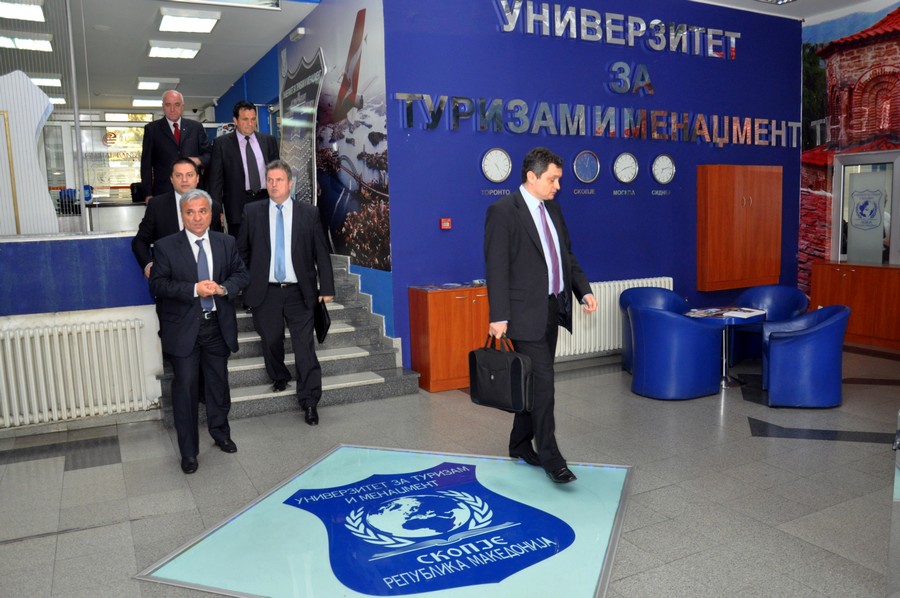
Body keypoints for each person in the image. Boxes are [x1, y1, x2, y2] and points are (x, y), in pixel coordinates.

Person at [484, 147, 597, 484]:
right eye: (553, 179)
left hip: (552, 309)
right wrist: (498, 316)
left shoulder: (554, 210)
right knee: (544, 385)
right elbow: (496, 267)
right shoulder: (503, 211)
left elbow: (566, 256)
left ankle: (519, 443)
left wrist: (583, 290)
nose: (557, 186)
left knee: (532, 382)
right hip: (522, 315)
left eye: (558, 179)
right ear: (531, 177)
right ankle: (551, 457)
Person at [149, 189, 249, 474]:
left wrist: (224, 288)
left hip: (217, 326)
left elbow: (242, 274)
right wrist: (194, 289)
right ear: (182, 215)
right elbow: (158, 285)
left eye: (202, 211)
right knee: (186, 390)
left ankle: (221, 433)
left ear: (211, 214)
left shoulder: (226, 242)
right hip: (184, 330)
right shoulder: (166, 246)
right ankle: (189, 451)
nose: (196, 217)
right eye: (190, 212)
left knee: (218, 385)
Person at [237, 160, 335, 426]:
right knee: (271, 340)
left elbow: (321, 252)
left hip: (299, 292)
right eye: (269, 180)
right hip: (265, 291)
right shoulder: (252, 212)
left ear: (290, 184)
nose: (273, 185)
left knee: (304, 348)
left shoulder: (308, 213)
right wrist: (243, 283)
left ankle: (310, 401)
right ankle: (279, 375)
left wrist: (326, 287)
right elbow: (241, 251)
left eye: (279, 180)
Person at [132, 157, 223, 278]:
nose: (184, 180)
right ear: (171, 179)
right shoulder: (157, 206)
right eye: (178, 175)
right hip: (170, 277)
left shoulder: (212, 206)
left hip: (206, 274)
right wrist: (148, 265)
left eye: (189, 175)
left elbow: (217, 242)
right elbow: (140, 241)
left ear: (197, 178)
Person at [208, 100, 280, 238]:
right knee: (241, 246)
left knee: (267, 243)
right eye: (245, 119)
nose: (250, 123)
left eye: (253, 119)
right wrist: (217, 210)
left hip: (265, 200)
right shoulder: (222, 144)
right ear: (235, 120)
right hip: (237, 205)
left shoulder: (268, 141)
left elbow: (277, 172)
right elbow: (216, 181)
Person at [140, 89, 211, 201]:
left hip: (193, 192)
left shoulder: (196, 127)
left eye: (177, 105)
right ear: (163, 106)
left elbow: (209, 155)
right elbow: (146, 164)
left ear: (182, 106)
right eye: (168, 105)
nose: (172, 109)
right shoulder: (152, 129)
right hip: (163, 191)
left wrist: (198, 160)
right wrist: (147, 193)